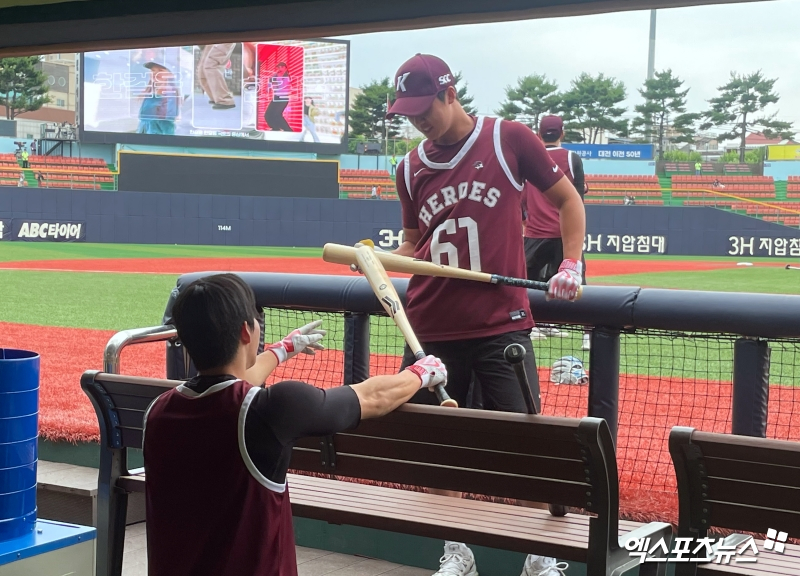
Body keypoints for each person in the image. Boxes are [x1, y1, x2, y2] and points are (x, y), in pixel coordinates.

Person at [387, 54, 584, 576]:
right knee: (437, 448)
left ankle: (540, 555)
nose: (417, 120)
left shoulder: (509, 138)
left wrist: (570, 263)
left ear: (449, 94)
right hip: (429, 326)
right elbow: (414, 242)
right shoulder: (408, 168)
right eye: (407, 113)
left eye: (422, 108)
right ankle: (457, 552)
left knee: (525, 445)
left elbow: (568, 202)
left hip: (501, 325)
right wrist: (385, 260)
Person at [143, 274, 447, 576]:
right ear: (246, 333)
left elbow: (224, 388)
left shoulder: (157, 413)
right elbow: (373, 396)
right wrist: (421, 373)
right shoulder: (272, 409)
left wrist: (282, 349)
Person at [522, 115, 588, 345]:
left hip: (534, 233)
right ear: (562, 133)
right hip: (565, 234)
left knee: (525, 284)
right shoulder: (571, 157)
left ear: (539, 134)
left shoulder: (529, 157)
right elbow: (577, 199)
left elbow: (521, 199)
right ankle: (588, 334)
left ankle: (532, 326)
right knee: (578, 282)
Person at [137, 62, 180, 135]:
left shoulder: (169, 92)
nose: (155, 73)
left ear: (170, 75)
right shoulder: (151, 91)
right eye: (153, 70)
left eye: (160, 70)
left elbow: (168, 119)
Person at [196, 43, 237, 109]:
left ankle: (225, 100)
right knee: (202, 70)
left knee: (210, 65)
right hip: (211, 40)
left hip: (224, 37)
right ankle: (215, 97)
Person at [264, 62, 293, 132]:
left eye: (281, 67)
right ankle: (275, 128)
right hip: (276, 97)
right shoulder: (276, 75)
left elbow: (282, 86)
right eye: (278, 67)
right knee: (268, 114)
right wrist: (269, 87)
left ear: (285, 68)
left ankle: (288, 130)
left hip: (283, 97)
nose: (279, 69)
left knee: (277, 114)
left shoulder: (287, 77)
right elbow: (270, 81)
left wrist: (277, 79)